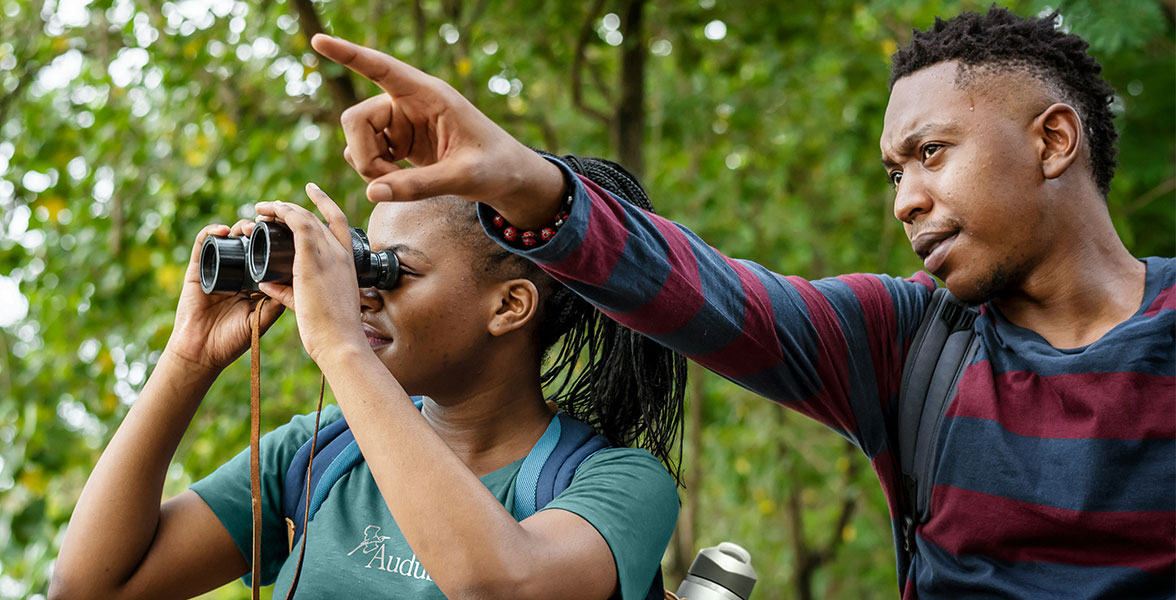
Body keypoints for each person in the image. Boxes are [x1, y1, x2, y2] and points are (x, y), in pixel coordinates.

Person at [306, 6, 1174, 598]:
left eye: (932, 153)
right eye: (893, 172)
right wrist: (520, 181)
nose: (904, 199)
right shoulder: (907, 343)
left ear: (1053, 141)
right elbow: (705, 293)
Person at [49, 175, 686, 599]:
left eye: (392, 270)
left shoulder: (619, 484)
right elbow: (88, 588)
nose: (358, 293)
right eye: (357, 260)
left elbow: (499, 584)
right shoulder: (319, 454)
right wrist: (190, 357)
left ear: (509, 306)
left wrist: (340, 346)